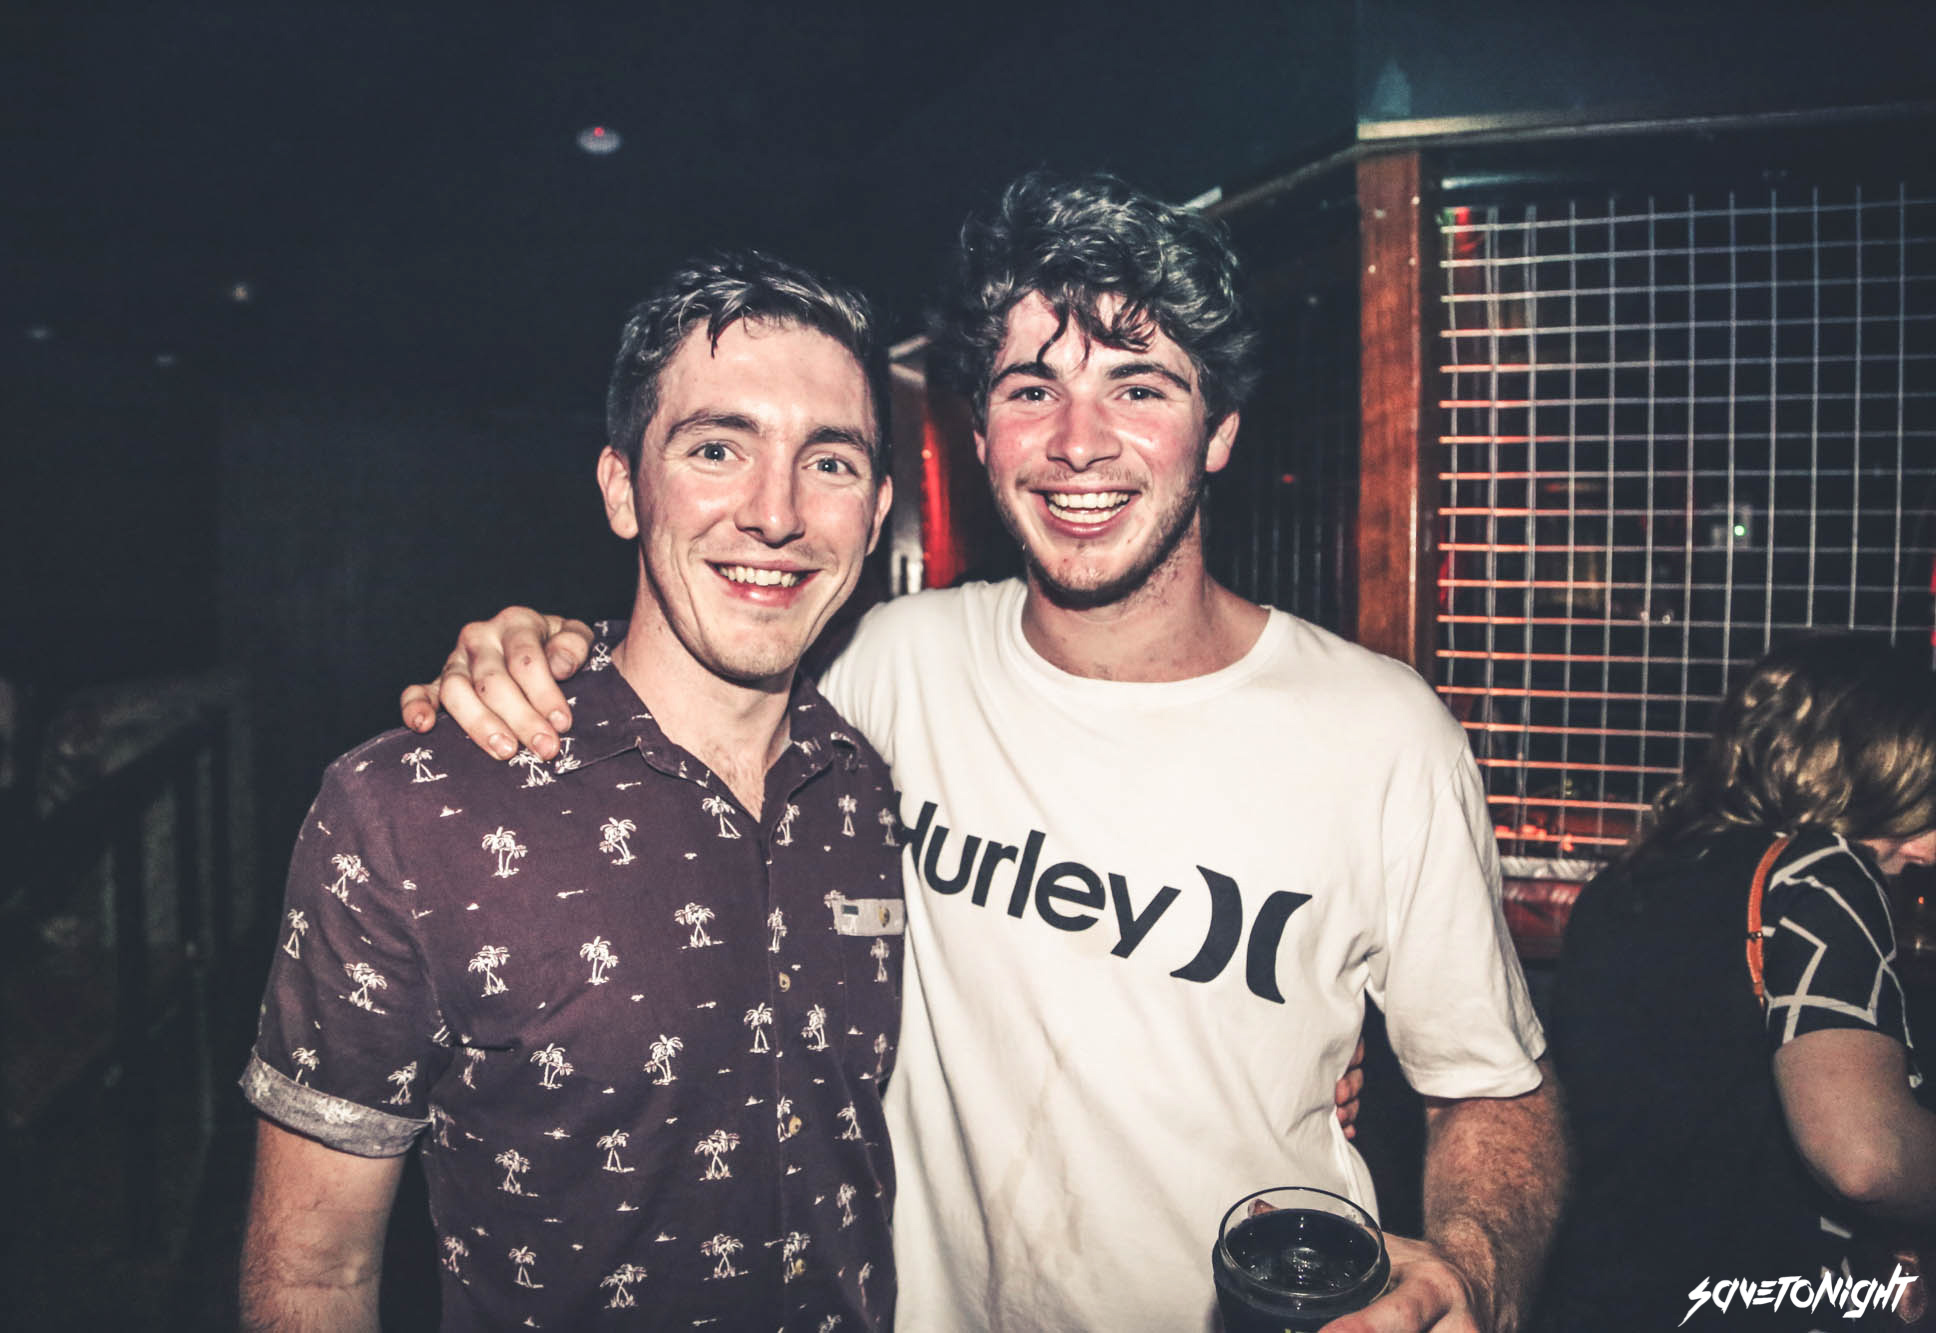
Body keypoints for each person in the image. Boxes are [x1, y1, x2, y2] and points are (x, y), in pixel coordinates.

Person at [402, 171, 1566, 1333]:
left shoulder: (1377, 732)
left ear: (1217, 431)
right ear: (979, 433)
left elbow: (1492, 1090)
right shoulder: (889, 664)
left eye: (1137, 387)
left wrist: (1470, 1264)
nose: (1076, 443)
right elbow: (701, 674)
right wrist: (548, 649)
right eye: (1030, 389)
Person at [239, 253, 907, 1332]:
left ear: (874, 515)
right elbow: (313, 1275)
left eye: (828, 462)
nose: (776, 513)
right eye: (717, 448)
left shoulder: (870, 788)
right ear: (621, 488)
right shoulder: (408, 810)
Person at [1537, 636, 1936, 1332]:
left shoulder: (1631, 880)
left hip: (1610, 1297)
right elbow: (1865, 1158)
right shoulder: (1824, 874)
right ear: (1880, 772)